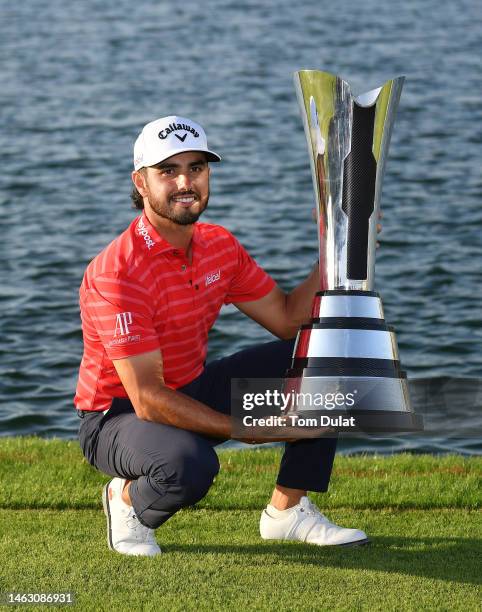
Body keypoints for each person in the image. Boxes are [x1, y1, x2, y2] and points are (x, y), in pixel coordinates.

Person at [75, 115, 370, 557]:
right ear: (140, 182)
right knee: (189, 466)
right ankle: (127, 500)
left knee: (328, 357)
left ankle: (287, 512)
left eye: (196, 168)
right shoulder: (118, 272)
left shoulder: (218, 245)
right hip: (115, 418)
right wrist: (248, 427)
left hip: (190, 386)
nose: (184, 182)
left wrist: (333, 248)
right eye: (168, 171)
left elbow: (289, 319)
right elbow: (148, 399)